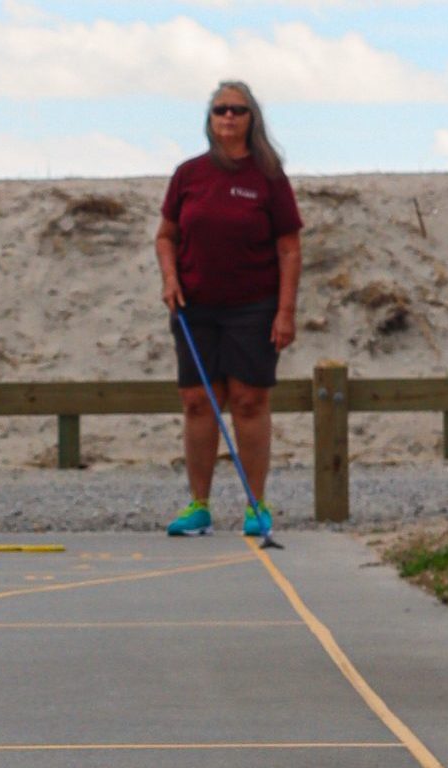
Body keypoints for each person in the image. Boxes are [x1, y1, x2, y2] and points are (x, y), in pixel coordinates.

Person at [155, 81, 302, 538]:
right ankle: (198, 506)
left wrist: (285, 311)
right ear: (210, 118)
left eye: (238, 110)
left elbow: (289, 248)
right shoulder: (189, 174)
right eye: (221, 109)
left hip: (253, 307)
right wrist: (169, 277)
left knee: (248, 400)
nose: (229, 117)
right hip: (194, 306)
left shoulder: (268, 176)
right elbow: (166, 235)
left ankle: (256, 505)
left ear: (251, 118)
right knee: (199, 403)